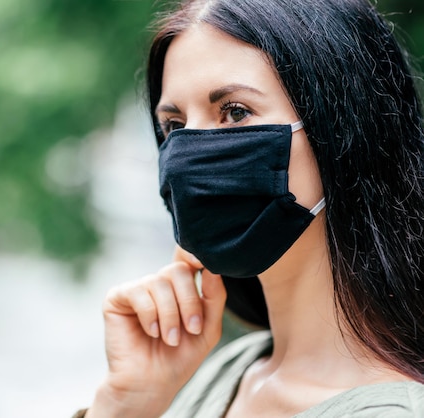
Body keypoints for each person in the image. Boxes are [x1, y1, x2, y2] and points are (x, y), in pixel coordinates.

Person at [75, 0, 424, 416]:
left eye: (235, 112)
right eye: (175, 126)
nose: (189, 154)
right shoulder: (230, 369)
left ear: (346, 130)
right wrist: (127, 404)